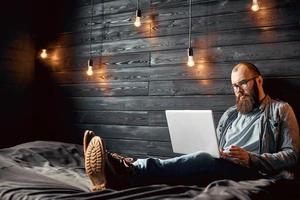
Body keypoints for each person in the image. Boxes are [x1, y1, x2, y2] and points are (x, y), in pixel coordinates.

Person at [83, 62, 300, 191]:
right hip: (223, 167)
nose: (238, 90)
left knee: (202, 160)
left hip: (255, 172)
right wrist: (218, 154)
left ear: (259, 81)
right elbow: (213, 149)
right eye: (234, 86)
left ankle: (129, 167)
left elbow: (292, 155)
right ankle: (118, 171)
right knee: (202, 158)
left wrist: (251, 158)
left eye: (243, 83)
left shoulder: (280, 110)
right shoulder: (230, 115)